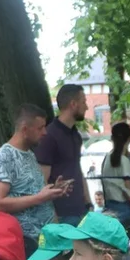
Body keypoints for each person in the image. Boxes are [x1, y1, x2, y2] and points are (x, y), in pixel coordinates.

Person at [0, 104, 71, 260]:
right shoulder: (4, 157)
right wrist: (40, 197)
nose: (45, 133)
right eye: (40, 127)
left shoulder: (29, 154)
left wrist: (53, 190)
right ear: (25, 129)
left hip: (46, 241)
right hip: (28, 244)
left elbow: (31, 192)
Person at [35, 85, 92, 225]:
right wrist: (52, 216)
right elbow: (41, 180)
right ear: (73, 104)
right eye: (84, 102)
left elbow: (77, 169)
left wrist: (88, 202)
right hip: (61, 215)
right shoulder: (49, 136)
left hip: (80, 211)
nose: (87, 107)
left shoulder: (75, 135)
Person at [100, 122, 130, 232]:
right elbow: (128, 187)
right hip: (124, 207)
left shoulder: (106, 158)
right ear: (129, 139)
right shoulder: (124, 161)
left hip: (109, 206)